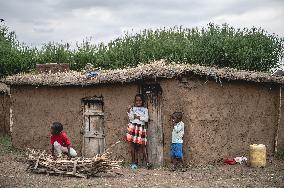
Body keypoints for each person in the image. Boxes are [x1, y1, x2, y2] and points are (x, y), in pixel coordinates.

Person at [126, 94, 151, 169]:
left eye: (140, 100)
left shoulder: (145, 109)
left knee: (143, 145)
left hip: (141, 128)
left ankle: (147, 162)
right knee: (132, 145)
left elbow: (146, 119)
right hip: (133, 126)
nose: (138, 102)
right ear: (135, 101)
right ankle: (133, 162)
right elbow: (131, 118)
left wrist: (138, 117)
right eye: (137, 100)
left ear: (142, 101)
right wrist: (128, 111)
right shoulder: (133, 108)